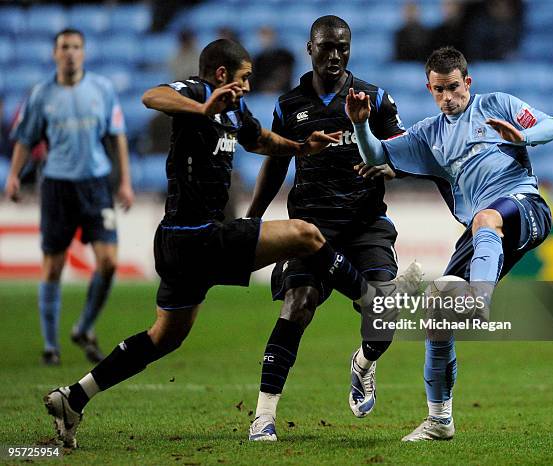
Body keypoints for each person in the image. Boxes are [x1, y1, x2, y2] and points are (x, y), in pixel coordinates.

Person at [42, 38, 419, 449]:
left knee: (164, 337)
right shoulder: (198, 91)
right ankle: (367, 298)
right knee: (306, 235)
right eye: (244, 79)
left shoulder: (235, 109)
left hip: (178, 247)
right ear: (222, 74)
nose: (247, 87)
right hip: (197, 236)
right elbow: (153, 96)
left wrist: (299, 147)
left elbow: (260, 141)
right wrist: (202, 107)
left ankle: (75, 397)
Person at [347, 46, 553, 441]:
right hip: (480, 234)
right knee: (437, 313)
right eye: (438, 90)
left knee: (486, 218)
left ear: (468, 82)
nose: (447, 97)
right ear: (429, 89)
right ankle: (439, 420)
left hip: (525, 206)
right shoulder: (429, 135)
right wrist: (361, 126)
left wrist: (524, 136)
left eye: (453, 88)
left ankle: (479, 299)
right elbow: (377, 153)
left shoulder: (496, 104)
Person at [246, 15, 419, 442]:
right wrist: (252, 216)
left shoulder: (374, 99)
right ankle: (263, 416)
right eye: (327, 47)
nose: (336, 55)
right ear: (310, 49)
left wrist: (391, 165)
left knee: (382, 315)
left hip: (365, 226)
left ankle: (363, 363)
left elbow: (405, 153)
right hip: (310, 226)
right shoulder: (290, 105)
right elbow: (276, 163)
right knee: (298, 304)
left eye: (343, 46)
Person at [5, 29, 134, 366]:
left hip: (95, 185)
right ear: (54, 54)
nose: (71, 53)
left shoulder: (102, 89)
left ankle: (84, 327)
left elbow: (117, 136)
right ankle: (51, 345)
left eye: (76, 47)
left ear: (84, 53)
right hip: (58, 187)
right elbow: (24, 138)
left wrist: (125, 183)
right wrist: (14, 177)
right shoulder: (41, 94)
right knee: (53, 266)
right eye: (64, 47)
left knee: (108, 262)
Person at [250, 26, 295, 94]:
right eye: (263, 36)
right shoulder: (257, 59)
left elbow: (285, 74)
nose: (265, 40)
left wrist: (273, 85)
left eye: (268, 36)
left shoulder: (286, 56)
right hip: (260, 95)